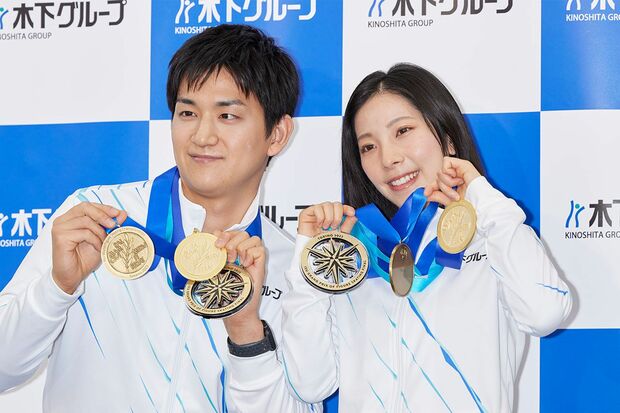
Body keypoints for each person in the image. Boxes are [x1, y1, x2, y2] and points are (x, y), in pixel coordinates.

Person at [0, 24, 318, 413]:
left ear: (278, 134)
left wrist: (247, 333)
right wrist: (57, 287)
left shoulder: (290, 268)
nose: (202, 135)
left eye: (227, 115)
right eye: (187, 113)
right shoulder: (96, 216)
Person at [281, 63, 572, 412]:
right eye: (368, 147)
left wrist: (481, 196)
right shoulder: (353, 255)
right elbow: (310, 384)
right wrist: (310, 268)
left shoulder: (492, 234)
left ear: (447, 137)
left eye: (403, 131)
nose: (389, 158)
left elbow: (545, 313)